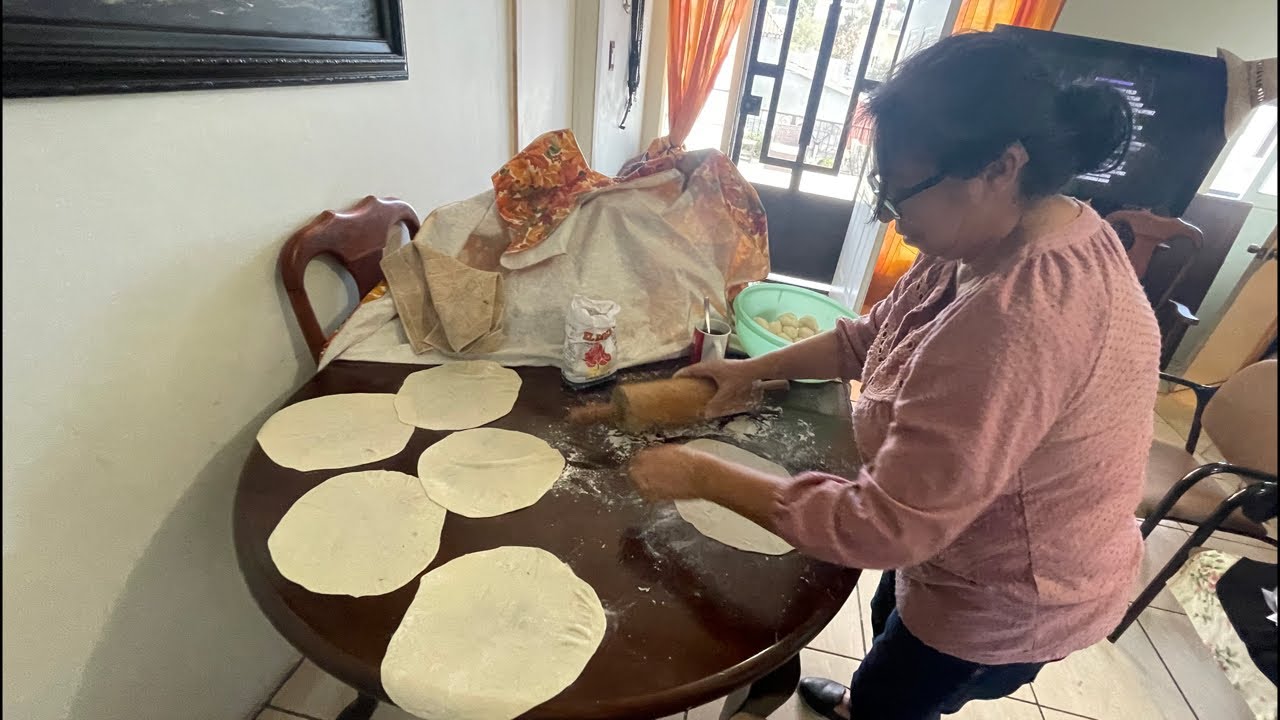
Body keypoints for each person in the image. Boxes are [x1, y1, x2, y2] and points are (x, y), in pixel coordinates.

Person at [628, 31, 1161, 720]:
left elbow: (883, 530)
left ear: (1001, 167)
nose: (888, 213)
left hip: (1010, 597)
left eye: (902, 191)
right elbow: (872, 339)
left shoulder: (1020, 322)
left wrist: (700, 474)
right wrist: (751, 372)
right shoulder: (987, 234)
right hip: (949, 544)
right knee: (893, 622)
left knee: (896, 697)